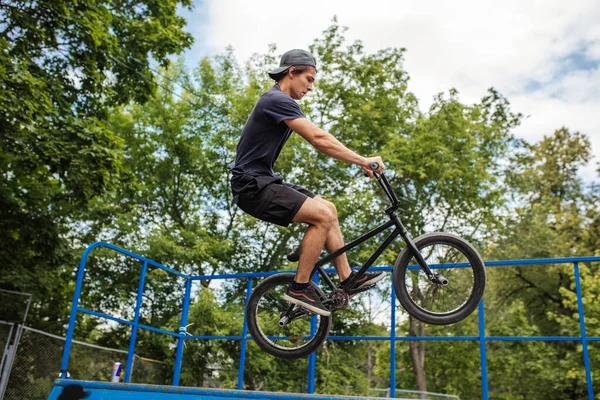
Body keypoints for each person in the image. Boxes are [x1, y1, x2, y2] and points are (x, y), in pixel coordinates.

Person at [229, 49, 386, 317]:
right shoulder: (275, 99)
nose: (311, 87)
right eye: (309, 79)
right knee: (322, 216)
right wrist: (363, 160)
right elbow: (319, 139)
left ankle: (347, 277)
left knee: (329, 209)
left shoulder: (280, 102)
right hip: (252, 187)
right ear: (292, 72)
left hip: (264, 180)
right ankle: (300, 286)